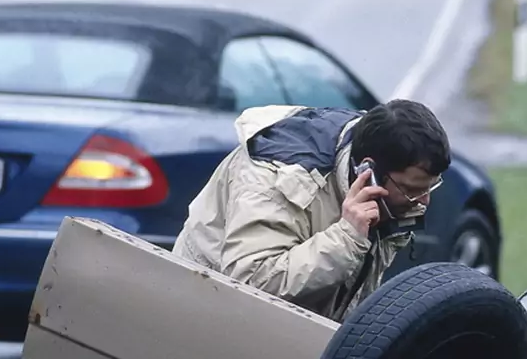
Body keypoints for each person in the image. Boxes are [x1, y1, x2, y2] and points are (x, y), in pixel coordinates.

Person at [172, 99, 451, 322]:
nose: (422, 203)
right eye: (410, 190)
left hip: (291, 331)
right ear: (368, 170)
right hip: (204, 315)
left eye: (429, 188)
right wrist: (346, 239)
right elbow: (250, 283)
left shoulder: (380, 178)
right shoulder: (276, 179)